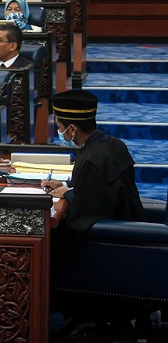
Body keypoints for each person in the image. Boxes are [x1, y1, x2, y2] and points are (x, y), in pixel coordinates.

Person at [42, 90, 144, 235]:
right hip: (129, 224)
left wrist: (68, 194)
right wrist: (64, 186)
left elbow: (85, 214)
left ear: (72, 129)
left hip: (111, 239)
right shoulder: (114, 144)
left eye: (60, 128)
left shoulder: (89, 161)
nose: (60, 132)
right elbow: (97, 190)